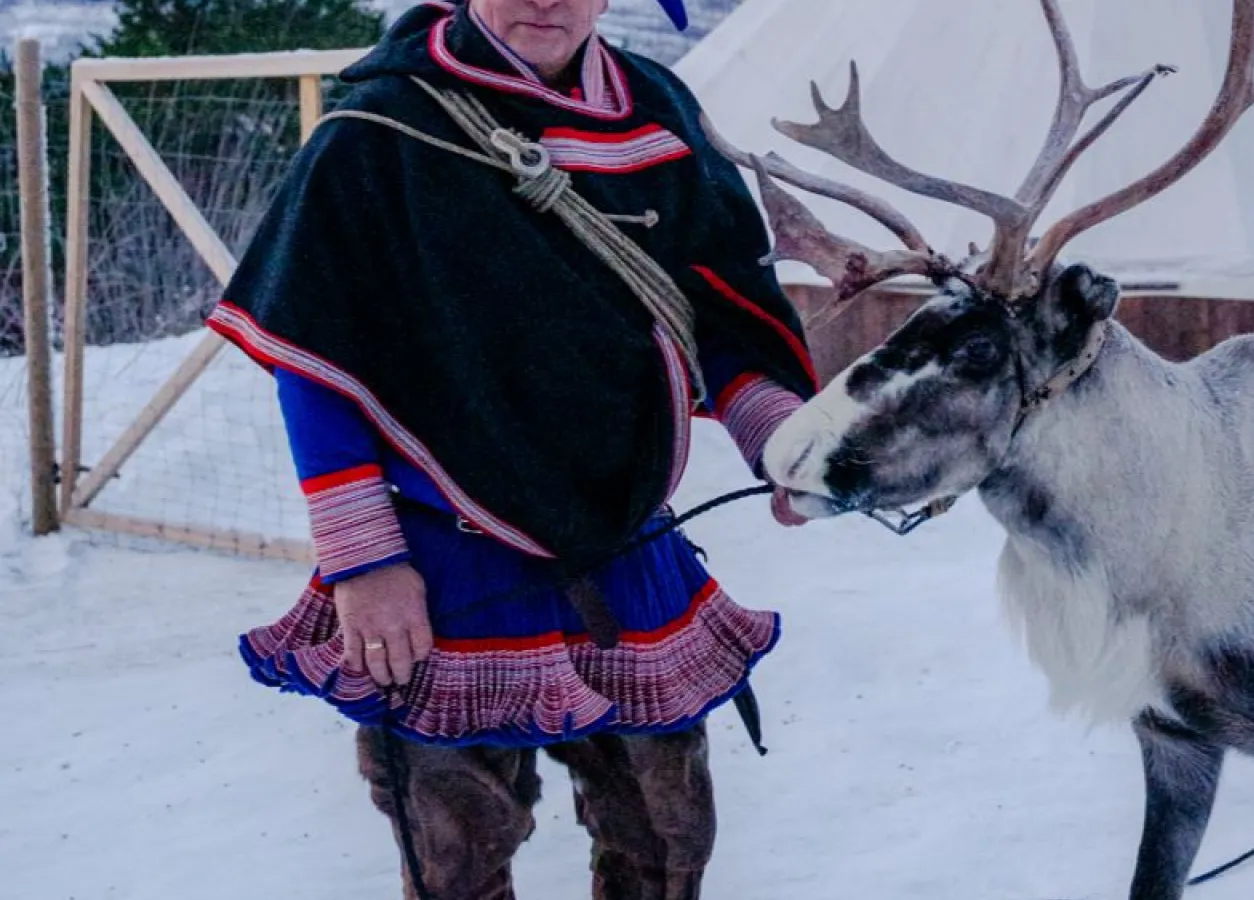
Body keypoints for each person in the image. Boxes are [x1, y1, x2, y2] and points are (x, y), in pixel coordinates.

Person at [206, 0, 821, 896]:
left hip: (625, 538)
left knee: (666, 837)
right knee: (457, 854)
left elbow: (723, 307)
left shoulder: (658, 110)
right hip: (445, 554)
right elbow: (317, 353)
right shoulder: (381, 128)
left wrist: (780, 437)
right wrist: (362, 558)